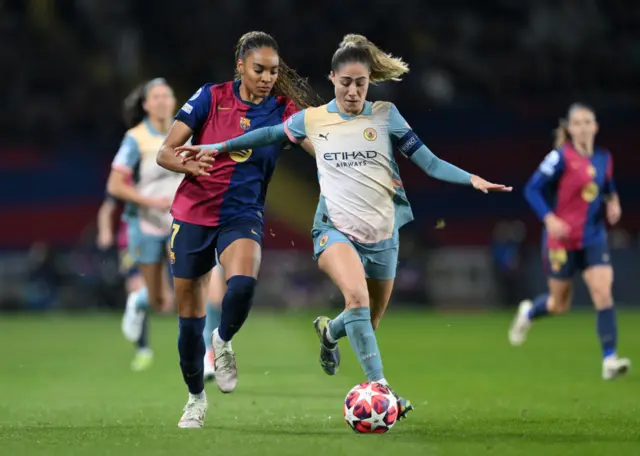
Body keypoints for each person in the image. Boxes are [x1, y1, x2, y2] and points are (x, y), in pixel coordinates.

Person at [177, 34, 511, 423]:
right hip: (333, 228)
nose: (353, 91)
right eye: (345, 82)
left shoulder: (386, 116)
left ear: (370, 83)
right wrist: (216, 148)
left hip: (383, 232)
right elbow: (265, 135)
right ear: (332, 78)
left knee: (365, 321)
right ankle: (383, 390)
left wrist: (471, 179)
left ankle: (329, 333)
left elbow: (431, 163)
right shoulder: (314, 119)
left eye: (361, 83)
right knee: (356, 299)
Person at [156, 31, 320, 428]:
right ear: (241, 67)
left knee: (243, 283)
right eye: (259, 69)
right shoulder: (210, 98)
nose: (267, 77)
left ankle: (224, 342)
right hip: (193, 214)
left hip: (241, 215)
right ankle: (195, 399)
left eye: (273, 71)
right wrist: (187, 165)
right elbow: (165, 152)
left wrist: (342, 162)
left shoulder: (283, 110)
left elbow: (317, 146)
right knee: (189, 321)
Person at [509, 103, 630, 380]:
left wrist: (614, 203)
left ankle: (609, 359)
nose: (583, 127)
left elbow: (609, 188)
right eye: (577, 123)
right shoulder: (560, 157)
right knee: (558, 304)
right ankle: (529, 312)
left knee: (603, 293)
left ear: (596, 126)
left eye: (588, 122)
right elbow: (532, 188)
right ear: (570, 128)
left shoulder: (604, 158)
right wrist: (549, 219)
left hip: (593, 238)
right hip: (561, 241)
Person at [107, 78, 182, 370]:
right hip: (146, 223)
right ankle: (139, 301)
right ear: (146, 104)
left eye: (167, 95)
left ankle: (206, 356)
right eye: (157, 96)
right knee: (160, 301)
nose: (163, 101)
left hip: (180, 222)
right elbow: (114, 185)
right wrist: (151, 202)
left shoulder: (186, 132)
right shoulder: (135, 138)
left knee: (197, 287)